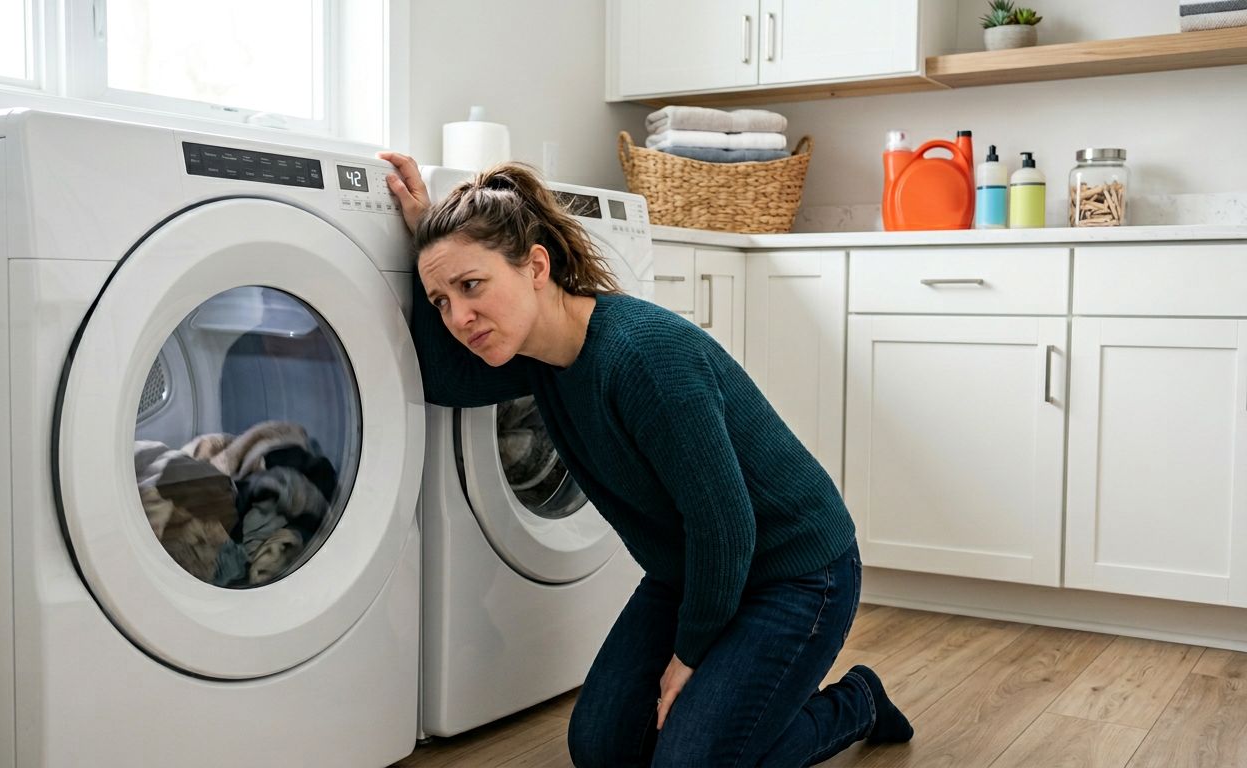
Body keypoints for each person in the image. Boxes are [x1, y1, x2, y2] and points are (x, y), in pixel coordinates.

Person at [378, 150, 914, 767]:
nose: (459, 317)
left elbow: (727, 527)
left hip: (795, 573)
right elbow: (442, 381)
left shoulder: (644, 359)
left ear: (535, 266)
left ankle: (856, 703)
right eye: (442, 301)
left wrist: (687, 660)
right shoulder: (537, 356)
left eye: (471, 285)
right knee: (602, 749)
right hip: (692, 570)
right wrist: (424, 236)